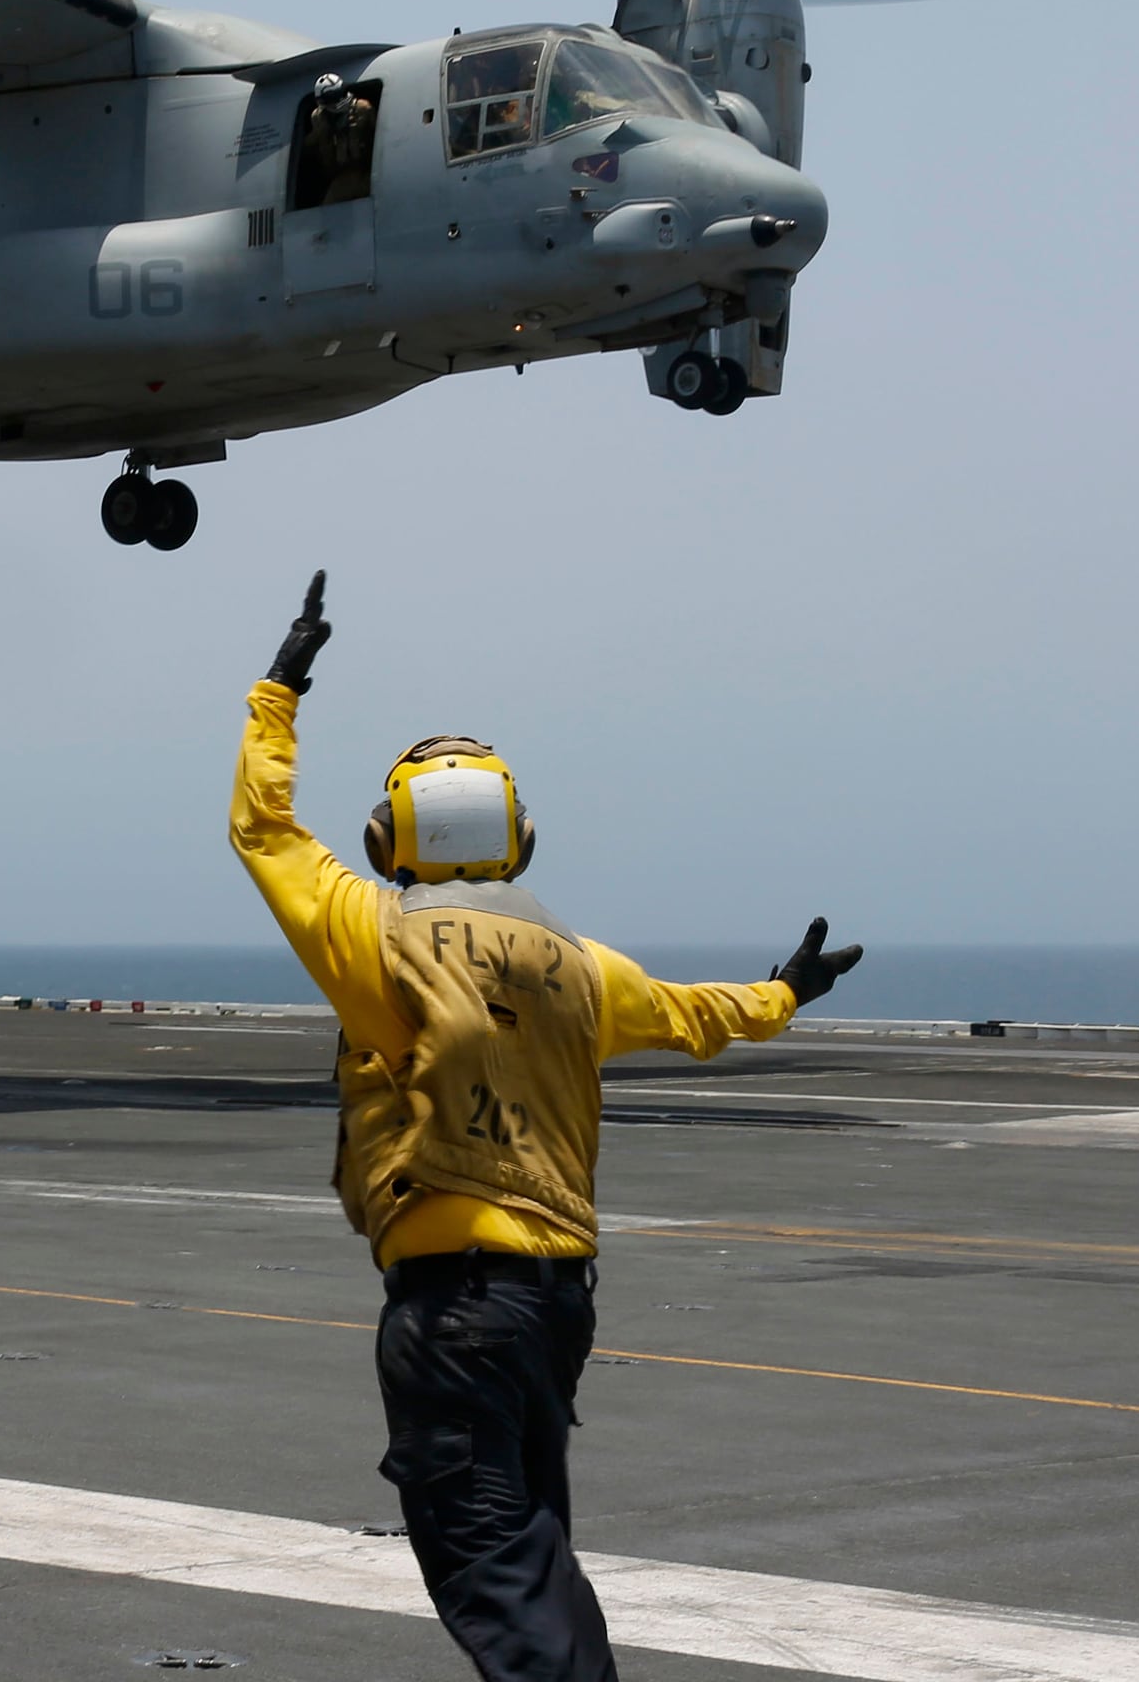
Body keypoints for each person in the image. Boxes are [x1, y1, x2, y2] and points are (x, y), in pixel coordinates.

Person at [231, 571, 864, 1682]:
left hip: (454, 1307)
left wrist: (278, 689)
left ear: (389, 839)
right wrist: (783, 992)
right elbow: (698, 1017)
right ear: (518, 841)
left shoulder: (375, 939)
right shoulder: (581, 966)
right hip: (553, 1306)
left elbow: (263, 830)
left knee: (484, 1552)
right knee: (532, 1551)